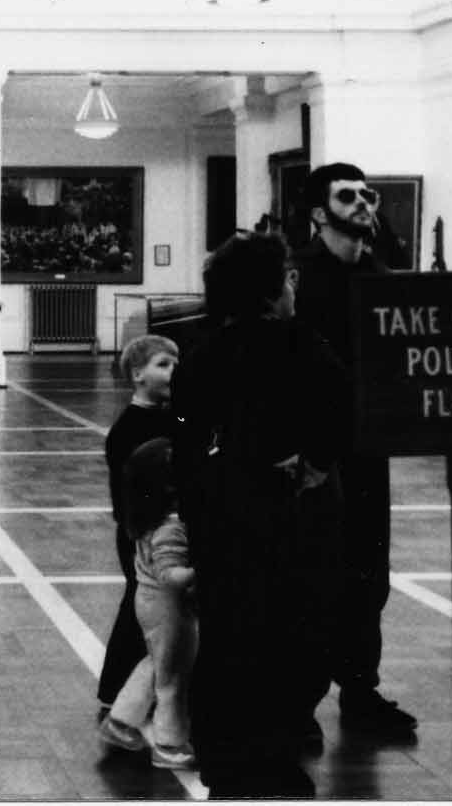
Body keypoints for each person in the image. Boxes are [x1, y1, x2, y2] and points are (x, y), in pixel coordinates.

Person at [172, 231, 346, 799]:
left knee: (228, 642)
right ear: (269, 292)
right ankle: (270, 759)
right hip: (292, 527)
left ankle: (226, 763)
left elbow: (190, 456)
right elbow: (340, 422)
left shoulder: (201, 355)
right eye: (287, 276)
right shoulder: (305, 346)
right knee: (295, 643)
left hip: (225, 525)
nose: (295, 284)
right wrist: (308, 469)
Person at [292, 163, 417, 742]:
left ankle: (360, 691)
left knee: (369, 576)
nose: (364, 203)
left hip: (368, 449)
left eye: (368, 195)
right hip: (314, 453)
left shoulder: (379, 273)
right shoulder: (299, 279)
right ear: (320, 213)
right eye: (348, 196)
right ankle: (299, 703)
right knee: (314, 576)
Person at [99, 437, 198, 770]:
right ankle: (169, 742)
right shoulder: (171, 527)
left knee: (156, 663)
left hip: (151, 602)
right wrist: (205, 569)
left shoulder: (148, 519)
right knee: (173, 674)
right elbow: (172, 575)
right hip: (167, 606)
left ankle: (121, 720)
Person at [96, 334, 181, 718]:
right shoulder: (127, 430)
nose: (173, 371)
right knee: (139, 608)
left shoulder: (173, 416)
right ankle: (116, 688)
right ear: (137, 375)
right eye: (163, 364)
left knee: (153, 609)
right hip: (140, 532)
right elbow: (130, 494)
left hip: (164, 529)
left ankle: (139, 686)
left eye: (176, 364)